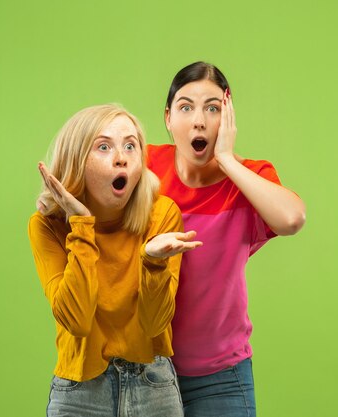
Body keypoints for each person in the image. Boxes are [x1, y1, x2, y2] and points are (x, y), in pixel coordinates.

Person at [147, 62, 306, 417]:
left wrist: (226, 160)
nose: (199, 120)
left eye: (213, 108)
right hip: (145, 371)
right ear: (168, 118)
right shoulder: (144, 166)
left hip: (221, 378)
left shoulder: (250, 178)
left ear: (228, 118)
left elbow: (292, 219)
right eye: (186, 107)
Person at [28, 103, 201, 417]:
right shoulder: (47, 225)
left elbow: (154, 324)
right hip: (79, 392)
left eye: (131, 145)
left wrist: (152, 262)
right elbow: (77, 321)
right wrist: (81, 225)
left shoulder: (161, 215)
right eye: (104, 146)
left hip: (153, 386)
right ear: (75, 159)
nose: (121, 156)